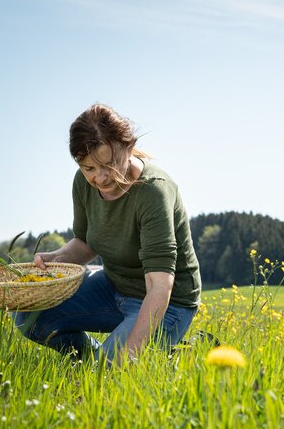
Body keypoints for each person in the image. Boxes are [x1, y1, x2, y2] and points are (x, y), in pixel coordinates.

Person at [13, 104, 201, 366]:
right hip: (113, 288)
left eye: (109, 164)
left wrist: (130, 353)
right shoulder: (82, 183)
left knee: (110, 371)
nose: (100, 178)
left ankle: (166, 354)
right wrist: (56, 258)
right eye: (88, 168)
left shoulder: (153, 192)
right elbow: (86, 243)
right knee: (29, 318)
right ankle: (94, 361)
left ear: (128, 147)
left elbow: (160, 286)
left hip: (168, 304)